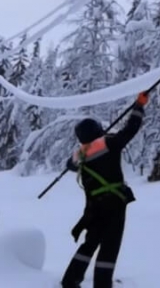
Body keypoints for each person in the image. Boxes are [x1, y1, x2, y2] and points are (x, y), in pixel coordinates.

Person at [60, 92, 148, 288]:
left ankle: (70, 280)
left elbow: (71, 165)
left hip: (93, 208)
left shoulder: (80, 156)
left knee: (90, 243)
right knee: (110, 246)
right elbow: (131, 129)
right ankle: (102, 284)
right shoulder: (109, 144)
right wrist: (139, 107)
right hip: (114, 204)